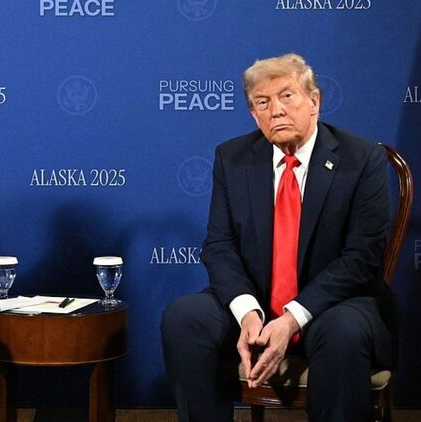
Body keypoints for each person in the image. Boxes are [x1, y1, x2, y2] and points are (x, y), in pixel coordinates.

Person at [161, 53, 396, 422]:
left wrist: (291, 319)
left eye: (287, 96)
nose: (276, 111)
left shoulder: (361, 159)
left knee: (343, 332)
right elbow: (219, 245)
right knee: (184, 318)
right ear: (253, 114)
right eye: (262, 102)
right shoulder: (233, 158)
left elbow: (362, 258)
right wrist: (247, 313)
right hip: (256, 299)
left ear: (314, 101)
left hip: (334, 304)